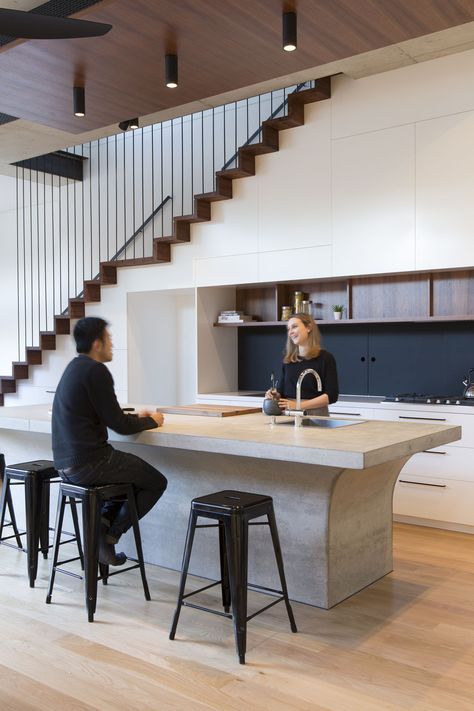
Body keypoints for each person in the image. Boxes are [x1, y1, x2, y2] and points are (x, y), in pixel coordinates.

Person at [52, 317, 167, 566]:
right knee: (156, 482)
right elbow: (121, 427)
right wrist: (153, 421)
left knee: (129, 479)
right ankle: (109, 536)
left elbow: (110, 414)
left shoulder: (74, 368)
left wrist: (138, 417)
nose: (112, 343)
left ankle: (103, 528)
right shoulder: (96, 371)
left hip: (64, 465)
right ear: (97, 343)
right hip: (91, 463)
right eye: (108, 338)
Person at [265, 313, 339, 415]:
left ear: (308, 327)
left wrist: (298, 405)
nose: (290, 332)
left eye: (294, 327)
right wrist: (274, 395)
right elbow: (281, 393)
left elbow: (331, 396)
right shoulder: (288, 360)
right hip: (290, 414)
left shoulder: (326, 358)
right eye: (288, 329)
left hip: (316, 415)